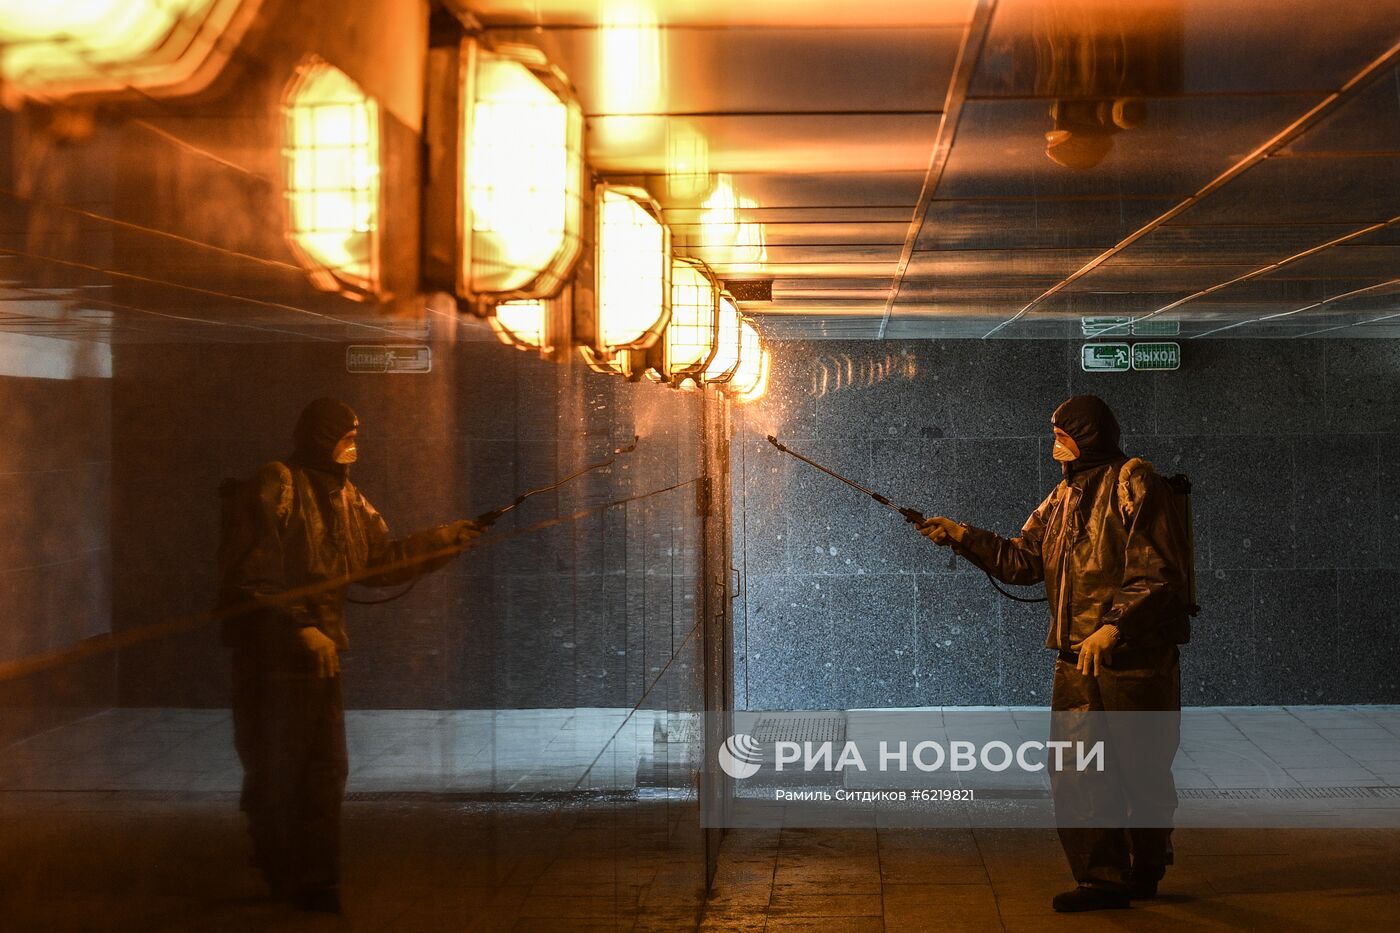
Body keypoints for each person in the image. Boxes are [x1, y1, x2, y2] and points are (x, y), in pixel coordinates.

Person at [918, 394, 1191, 913]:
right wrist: (962, 536)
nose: (1054, 444)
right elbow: (1023, 560)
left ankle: (1148, 862)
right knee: (1075, 768)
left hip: (1132, 657)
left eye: (1061, 435)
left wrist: (1114, 627)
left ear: (1087, 436)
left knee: (1142, 766)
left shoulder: (1134, 481)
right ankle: (1101, 879)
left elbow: (1159, 572)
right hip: (1074, 658)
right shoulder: (1061, 499)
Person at [216, 398, 483, 913]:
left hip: (321, 661)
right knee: (277, 768)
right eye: (347, 433)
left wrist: (448, 539)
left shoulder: (345, 496)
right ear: (320, 436)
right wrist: (301, 628)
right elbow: (251, 576)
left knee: (325, 770)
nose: (355, 441)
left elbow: (379, 560)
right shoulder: (278, 482)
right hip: (272, 662)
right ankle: (282, 872)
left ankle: (315, 884)